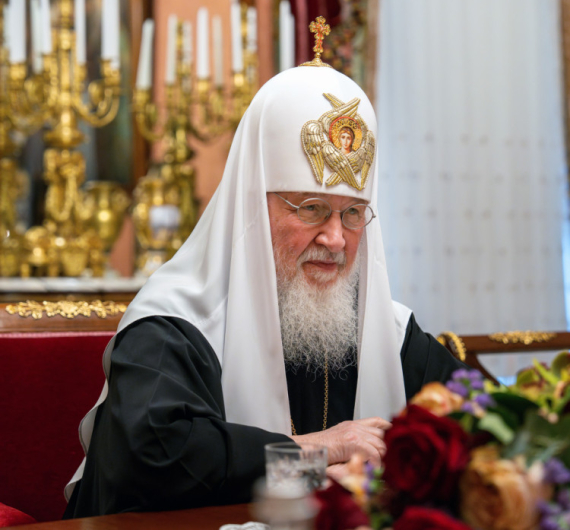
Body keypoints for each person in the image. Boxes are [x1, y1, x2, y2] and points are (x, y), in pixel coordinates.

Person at [63, 38, 466, 517]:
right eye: (312, 208)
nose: (336, 239)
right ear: (254, 207)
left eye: (353, 214)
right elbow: (153, 460)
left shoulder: (389, 333)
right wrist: (315, 452)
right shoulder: (176, 323)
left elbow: (484, 423)